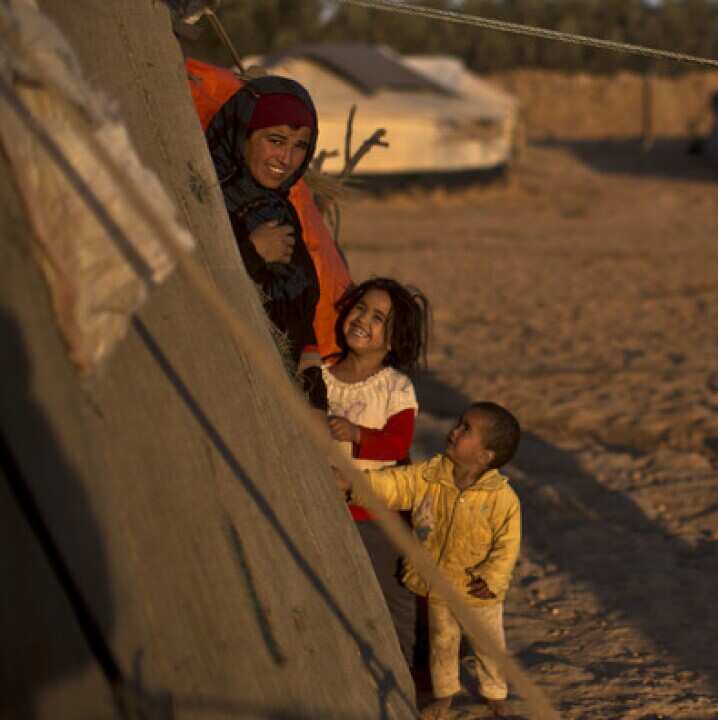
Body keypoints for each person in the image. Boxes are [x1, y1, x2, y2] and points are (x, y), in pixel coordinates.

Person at [339, 402, 522, 720]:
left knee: (488, 645)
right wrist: (354, 485)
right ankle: (445, 696)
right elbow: (396, 484)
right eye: (459, 423)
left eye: (467, 430)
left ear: (485, 457)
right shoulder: (430, 476)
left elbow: (507, 546)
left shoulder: (502, 498)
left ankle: (495, 694)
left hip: (479, 593)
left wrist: (492, 579)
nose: (455, 431)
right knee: (442, 644)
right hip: (439, 584)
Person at [186, 58, 352, 364]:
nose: (286, 159)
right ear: (243, 134)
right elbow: (184, 283)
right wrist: (251, 251)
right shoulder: (201, 194)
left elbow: (302, 313)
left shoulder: (282, 209)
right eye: (275, 140)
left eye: (300, 145)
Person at [318, 277, 430, 678]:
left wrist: (357, 434)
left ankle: (403, 676)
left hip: (376, 514)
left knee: (391, 598)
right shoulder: (321, 377)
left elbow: (397, 444)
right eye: (360, 308)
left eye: (378, 317)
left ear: (395, 339)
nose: (362, 319)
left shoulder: (395, 388)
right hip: (323, 508)